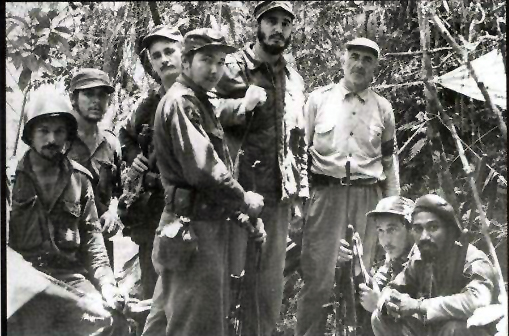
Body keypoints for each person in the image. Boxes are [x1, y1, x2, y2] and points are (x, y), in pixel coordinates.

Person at [152, 28, 265, 336]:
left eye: (220, 61)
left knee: (171, 318)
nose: (215, 69)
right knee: (196, 323)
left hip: (204, 225)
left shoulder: (201, 101)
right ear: (186, 63)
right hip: (194, 228)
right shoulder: (182, 103)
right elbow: (204, 169)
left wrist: (239, 212)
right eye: (206, 60)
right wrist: (244, 200)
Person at [295, 37, 400, 336]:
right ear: (342, 60)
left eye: (368, 59)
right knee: (317, 279)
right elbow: (301, 154)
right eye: (354, 56)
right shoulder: (318, 100)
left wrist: (393, 208)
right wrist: (302, 201)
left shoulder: (383, 108)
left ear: (376, 67)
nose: (359, 64)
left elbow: (389, 162)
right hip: (325, 197)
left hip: (367, 200)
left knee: (364, 278)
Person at [215, 2, 308, 334]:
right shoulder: (231, 68)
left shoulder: (294, 79)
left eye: (285, 23)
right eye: (271, 21)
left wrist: (300, 193)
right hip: (238, 195)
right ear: (258, 24)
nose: (278, 29)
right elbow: (203, 112)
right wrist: (242, 106)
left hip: (278, 197)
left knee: (269, 290)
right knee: (230, 284)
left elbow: (298, 140)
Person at [8, 91, 127, 335]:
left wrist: (108, 286)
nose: (52, 139)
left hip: (68, 277)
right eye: (43, 131)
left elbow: (94, 243)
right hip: (21, 281)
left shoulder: (80, 179)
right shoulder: (9, 180)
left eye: (59, 131)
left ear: (68, 136)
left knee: (112, 322)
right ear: (30, 135)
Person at [118, 24, 183, 335]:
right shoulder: (148, 102)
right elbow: (125, 134)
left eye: (169, 51)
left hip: (190, 210)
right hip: (153, 208)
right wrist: (134, 157)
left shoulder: (203, 94)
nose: (164, 60)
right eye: (156, 56)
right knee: (152, 291)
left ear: (184, 52)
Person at [372, 194, 498, 336]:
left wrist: (418, 306)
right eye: (418, 229)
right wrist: (389, 303)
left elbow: (477, 301)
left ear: (449, 230)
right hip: (436, 329)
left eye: (433, 227)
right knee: (380, 318)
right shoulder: (420, 260)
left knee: (455, 329)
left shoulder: (473, 259)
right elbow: (393, 287)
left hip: (473, 331)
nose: (424, 236)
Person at [336, 196, 416, 335]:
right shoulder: (394, 258)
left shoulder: (422, 257)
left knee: (377, 316)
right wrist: (357, 264)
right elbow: (376, 285)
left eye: (392, 229)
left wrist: (380, 305)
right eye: (380, 230)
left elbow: (428, 314)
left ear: (411, 228)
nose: (385, 240)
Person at [67, 68, 122, 267]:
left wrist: (112, 213)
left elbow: (118, 191)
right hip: (64, 244)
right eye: (88, 94)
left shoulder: (111, 143)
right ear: (73, 98)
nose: (96, 101)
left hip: (101, 245)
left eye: (102, 95)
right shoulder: (58, 141)